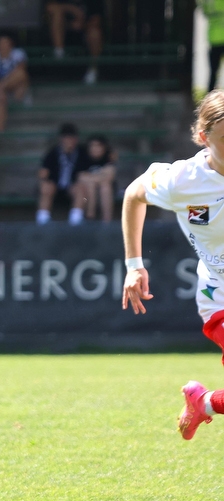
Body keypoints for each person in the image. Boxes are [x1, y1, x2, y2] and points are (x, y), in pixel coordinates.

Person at [122, 89, 224, 440]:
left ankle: (205, 403)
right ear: (203, 137)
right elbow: (134, 195)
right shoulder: (183, 181)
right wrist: (134, 264)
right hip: (220, 297)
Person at [36, 122, 89, 225]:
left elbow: (85, 172)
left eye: (71, 138)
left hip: (72, 187)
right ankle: (43, 220)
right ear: (61, 139)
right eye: (66, 138)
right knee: (46, 187)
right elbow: (43, 172)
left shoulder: (82, 153)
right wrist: (44, 181)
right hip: (55, 186)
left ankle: (75, 219)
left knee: (81, 188)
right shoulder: (53, 153)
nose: (69, 141)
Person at [45, 0, 104, 84]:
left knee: (95, 33)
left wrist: (81, 24)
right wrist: (73, 9)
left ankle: (93, 70)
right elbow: (50, 7)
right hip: (61, 32)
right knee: (56, 12)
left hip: (84, 32)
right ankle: (59, 52)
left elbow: (96, 19)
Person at [80, 134, 117, 222]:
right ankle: (90, 217)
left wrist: (91, 178)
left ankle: (107, 221)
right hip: (85, 191)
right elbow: (80, 177)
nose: (95, 148)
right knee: (90, 185)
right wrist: (99, 178)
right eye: (92, 146)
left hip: (106, 189)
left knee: (105, 187)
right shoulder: (83, 159)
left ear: (104, 147)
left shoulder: (108, 159)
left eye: (98, 146)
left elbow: (109, 177)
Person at [204, 0, 224, 90]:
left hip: (213, 38)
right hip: (220, 36)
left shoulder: (208, 2)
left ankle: (210, 98)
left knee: (213, 73)